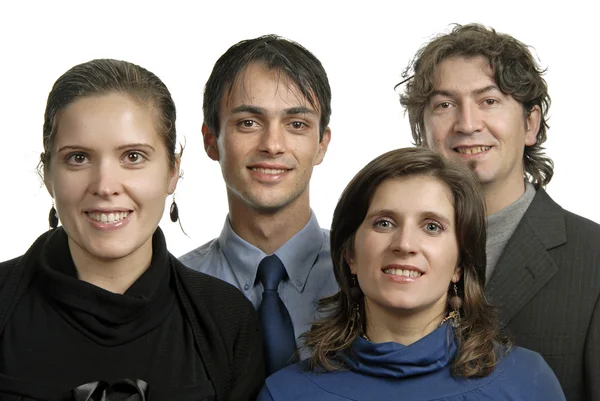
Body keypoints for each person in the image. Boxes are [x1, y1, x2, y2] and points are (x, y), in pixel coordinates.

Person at [0, 59, 264, 401]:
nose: (105, 186)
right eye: (78, 158)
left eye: (133, 156)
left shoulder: (226, 320)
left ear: (172, 170)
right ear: (47, 174)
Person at [257, 147, 565, 400]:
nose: (404, 244)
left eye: (432, 227)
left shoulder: (528, 384)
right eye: (384, 223)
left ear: (459, 264)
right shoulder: (285, 393)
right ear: (350, 254)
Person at [398, 23, 600, 400]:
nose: (468, 124)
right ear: (422, 129)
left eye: (489, 101)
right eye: (444, 105)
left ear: (530, 124)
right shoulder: (383, 250)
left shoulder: (594, 258)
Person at [180, 34, 337, 375]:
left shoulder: (365, 276)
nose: (273, 145)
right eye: (248, 123)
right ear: (211, 141)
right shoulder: (174, 289)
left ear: (322, 144)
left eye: (296, 124)